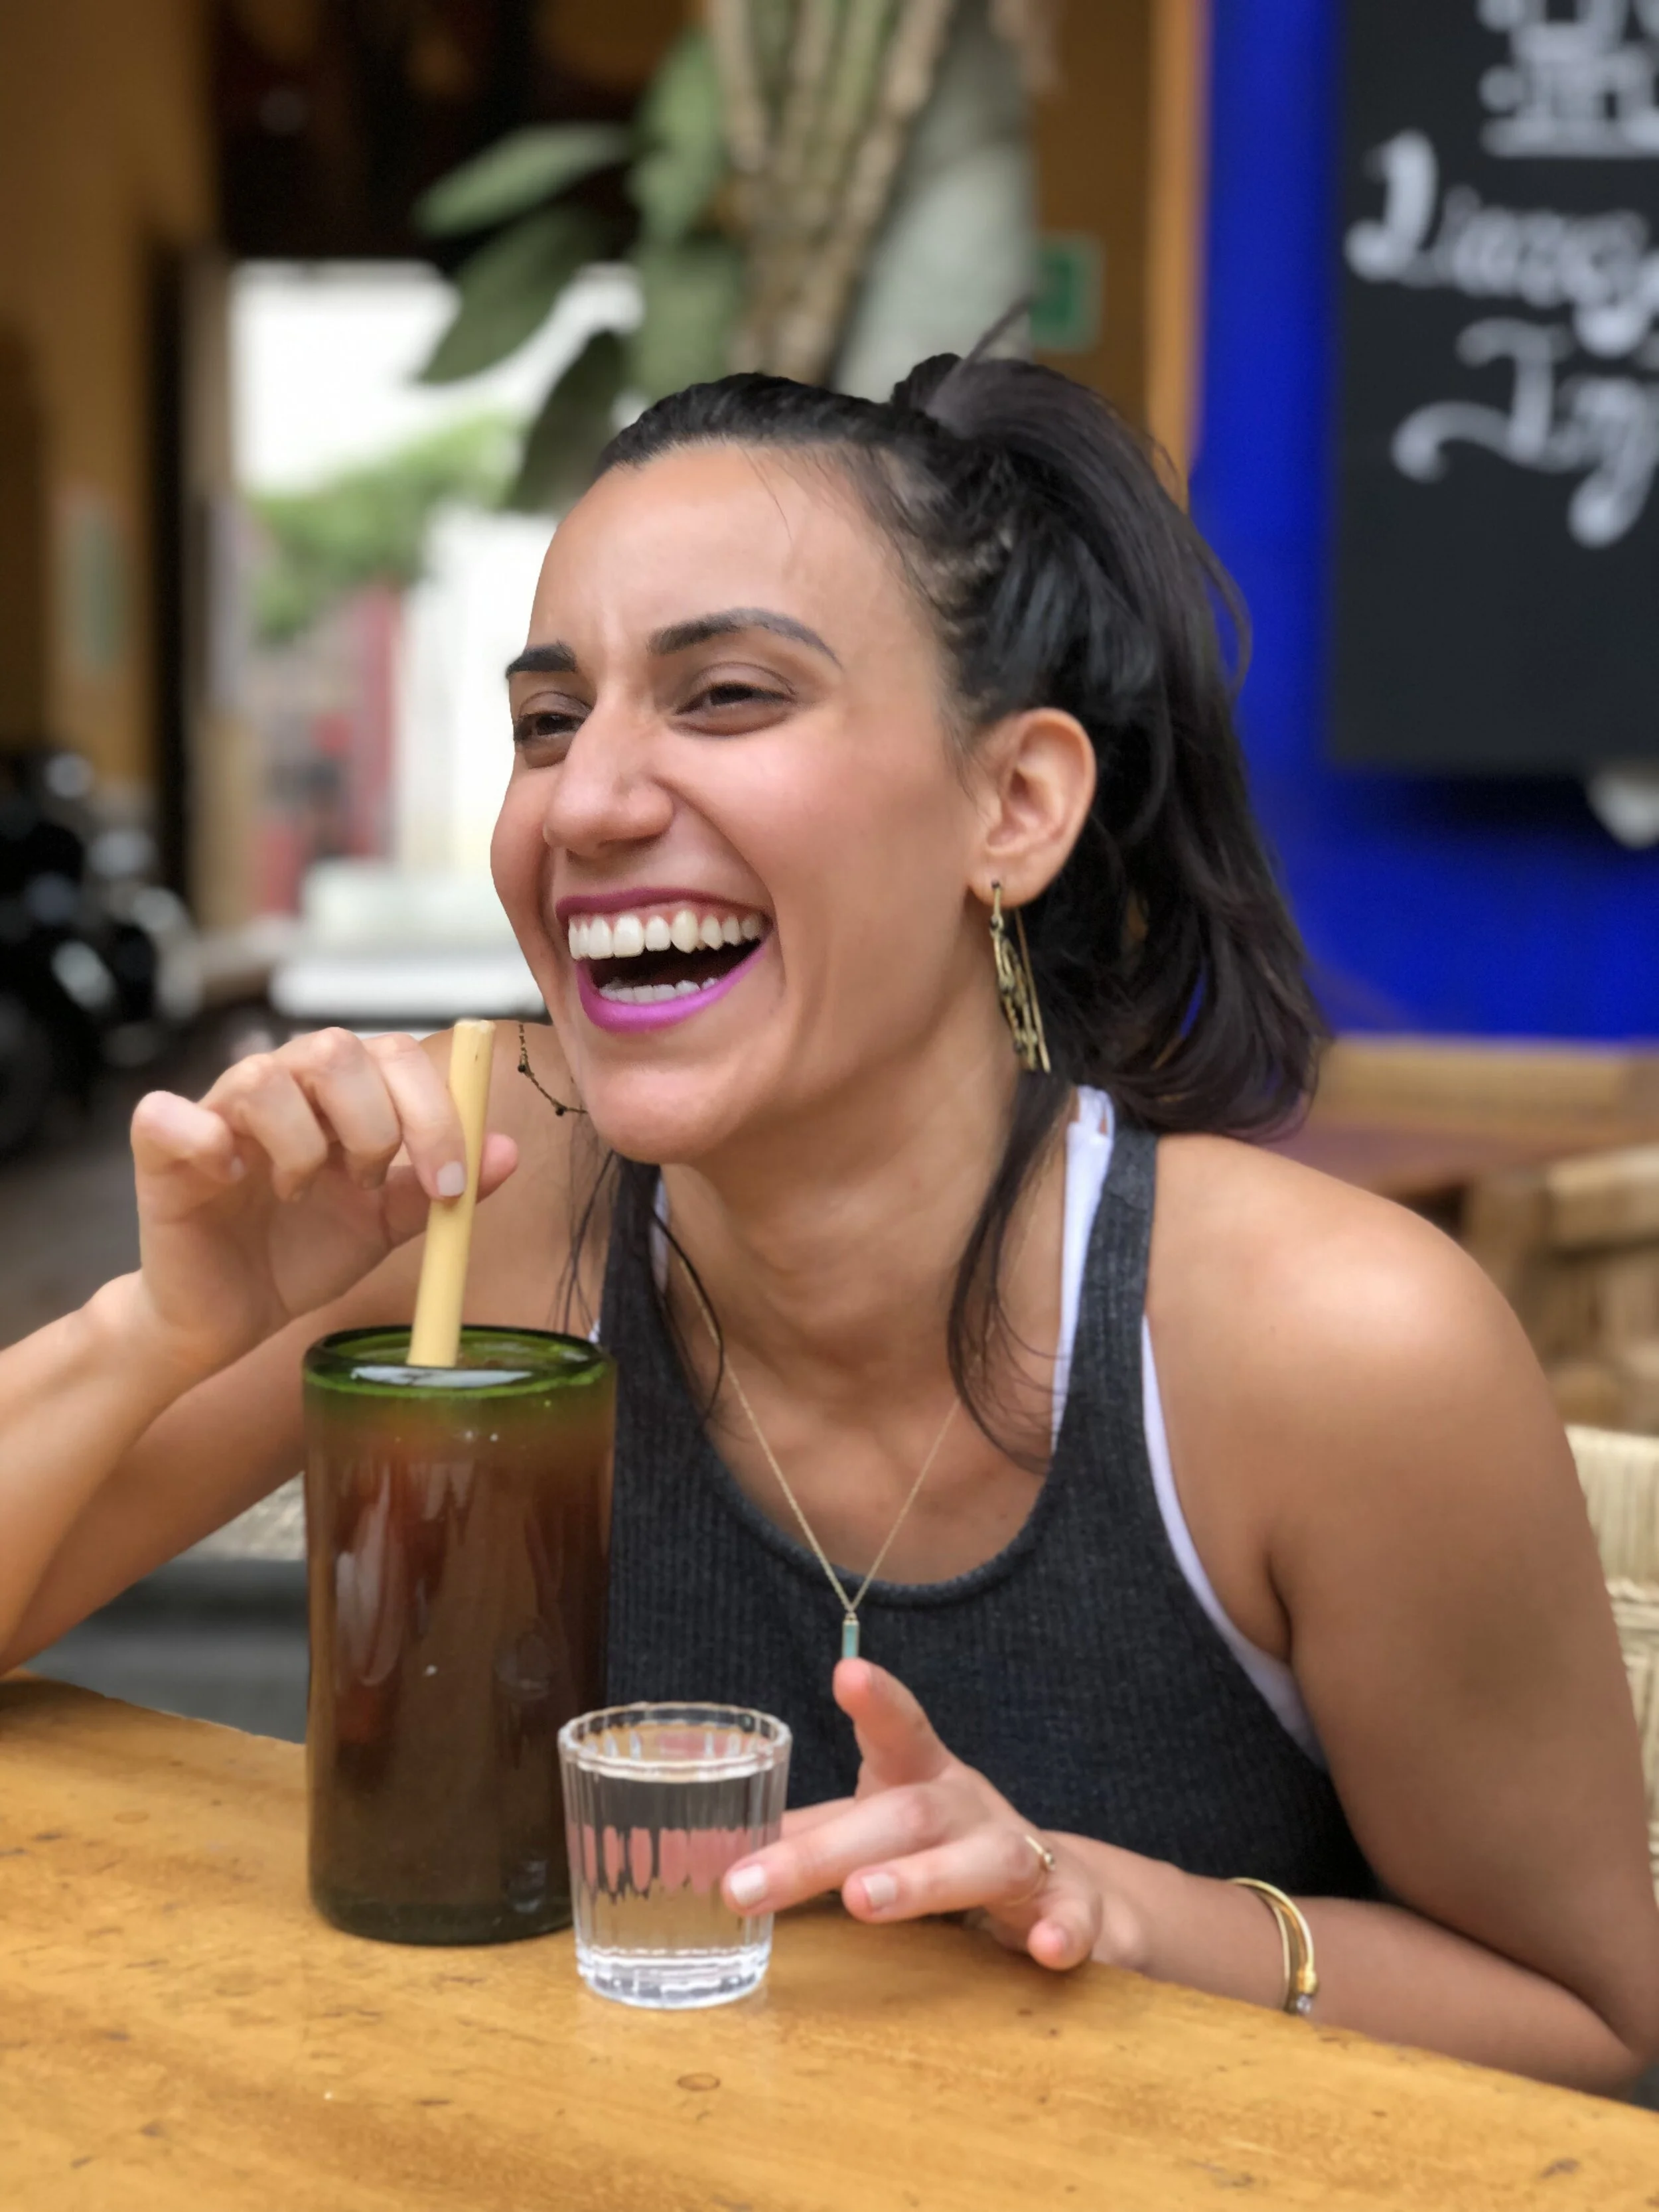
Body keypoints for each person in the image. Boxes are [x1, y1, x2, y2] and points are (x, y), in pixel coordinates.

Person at [1, 353, 1654, 2091]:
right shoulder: (487, 1187)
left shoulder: (1327, 1348)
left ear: (1012, 805)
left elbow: (1599, 2031)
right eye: (547, 722)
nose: (586, 801)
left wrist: (1116, 1907)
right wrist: (158, 1329)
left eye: (723, 695)